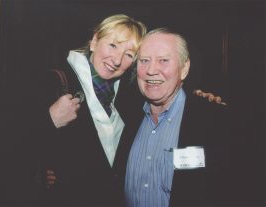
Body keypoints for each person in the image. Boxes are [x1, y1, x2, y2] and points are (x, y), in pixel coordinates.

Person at [35, 14, 147, 207]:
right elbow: (6, 142)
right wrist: (49, 120)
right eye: (113, 45)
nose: (117, 59)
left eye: (129, 54)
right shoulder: (55, 81)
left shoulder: (127, 97)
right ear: (95, 41)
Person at [124, 28, 233, 207]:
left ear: (184, 68)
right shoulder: (126, 115)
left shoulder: (215, 122)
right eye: (144, 61)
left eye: (163, 60)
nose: (151, 70)